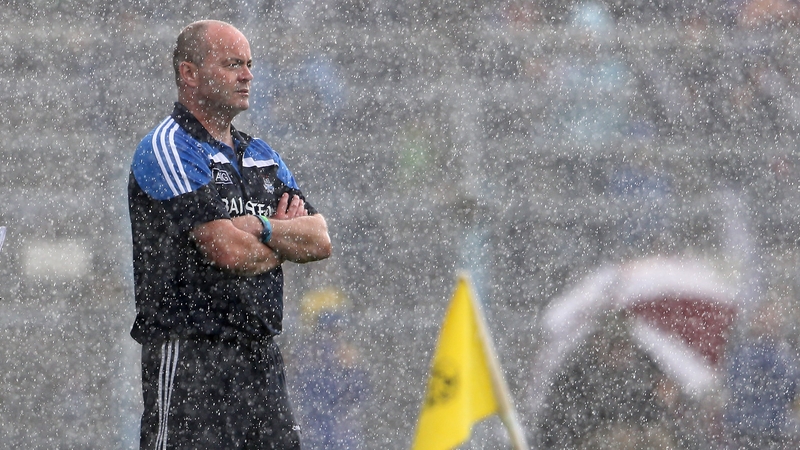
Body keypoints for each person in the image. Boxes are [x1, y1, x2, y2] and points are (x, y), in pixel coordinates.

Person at [127, 20, 332, 449]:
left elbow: (318, 239)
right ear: (189, 74)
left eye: (250, 64)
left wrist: (261, 228)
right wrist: (282, 241)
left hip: (260, 356)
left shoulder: (261, 156)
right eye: (232, 64)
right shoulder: (168, 147)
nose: (248, 75)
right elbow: (226, 251)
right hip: (190, 356)